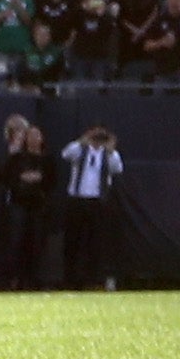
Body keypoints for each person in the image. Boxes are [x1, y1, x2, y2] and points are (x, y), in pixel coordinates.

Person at [56, 114, 126, 286]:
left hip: (98, 202)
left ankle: (93, 279)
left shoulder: (109, 154)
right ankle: (70, 280)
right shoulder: (79, 149)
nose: (97, 137)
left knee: (95, 243)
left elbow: (118, 169)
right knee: (73, 242)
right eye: (95, 133)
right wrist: (83, 141)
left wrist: (109, 149)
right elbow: (65, 154)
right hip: (77, 200)